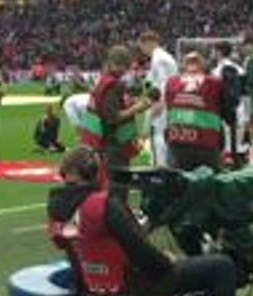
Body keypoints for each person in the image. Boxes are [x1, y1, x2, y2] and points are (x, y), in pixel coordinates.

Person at [46, 147, 239, 296]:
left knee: (127, 269)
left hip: (95, 287)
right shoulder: (104, 204)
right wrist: (167, 260)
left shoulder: (55, 208)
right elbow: (142, 253)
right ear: (95, 171)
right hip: (135, 286)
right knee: (222, 266)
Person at [83, 45, 151, 196]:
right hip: (113, 146)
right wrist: (137, 108)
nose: (125, 70)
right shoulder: (113, 85)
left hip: (100, 143)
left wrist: (131, 102)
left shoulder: (103, 81)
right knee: (117, 189)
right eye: (124, 66)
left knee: (105, 187)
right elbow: (112, 118)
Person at [164, 51, 225, 172]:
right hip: (206, 142)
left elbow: (168, 105)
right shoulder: (215, 83)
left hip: (177, 140)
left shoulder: (171, 82)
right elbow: (225, 106)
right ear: (203, 66)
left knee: (179, 181)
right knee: (209, 181)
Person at [140, 30, 179, 168]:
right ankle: (167, 165)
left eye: (142, 46)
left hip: (164, 103)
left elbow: (164, 82)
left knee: (158, 135)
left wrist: (159, 103)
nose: (142, 50)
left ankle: (160, 168)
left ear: (148, 43)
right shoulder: (164, 56)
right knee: (165, 135)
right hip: (170, 103)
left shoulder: (159, 58)